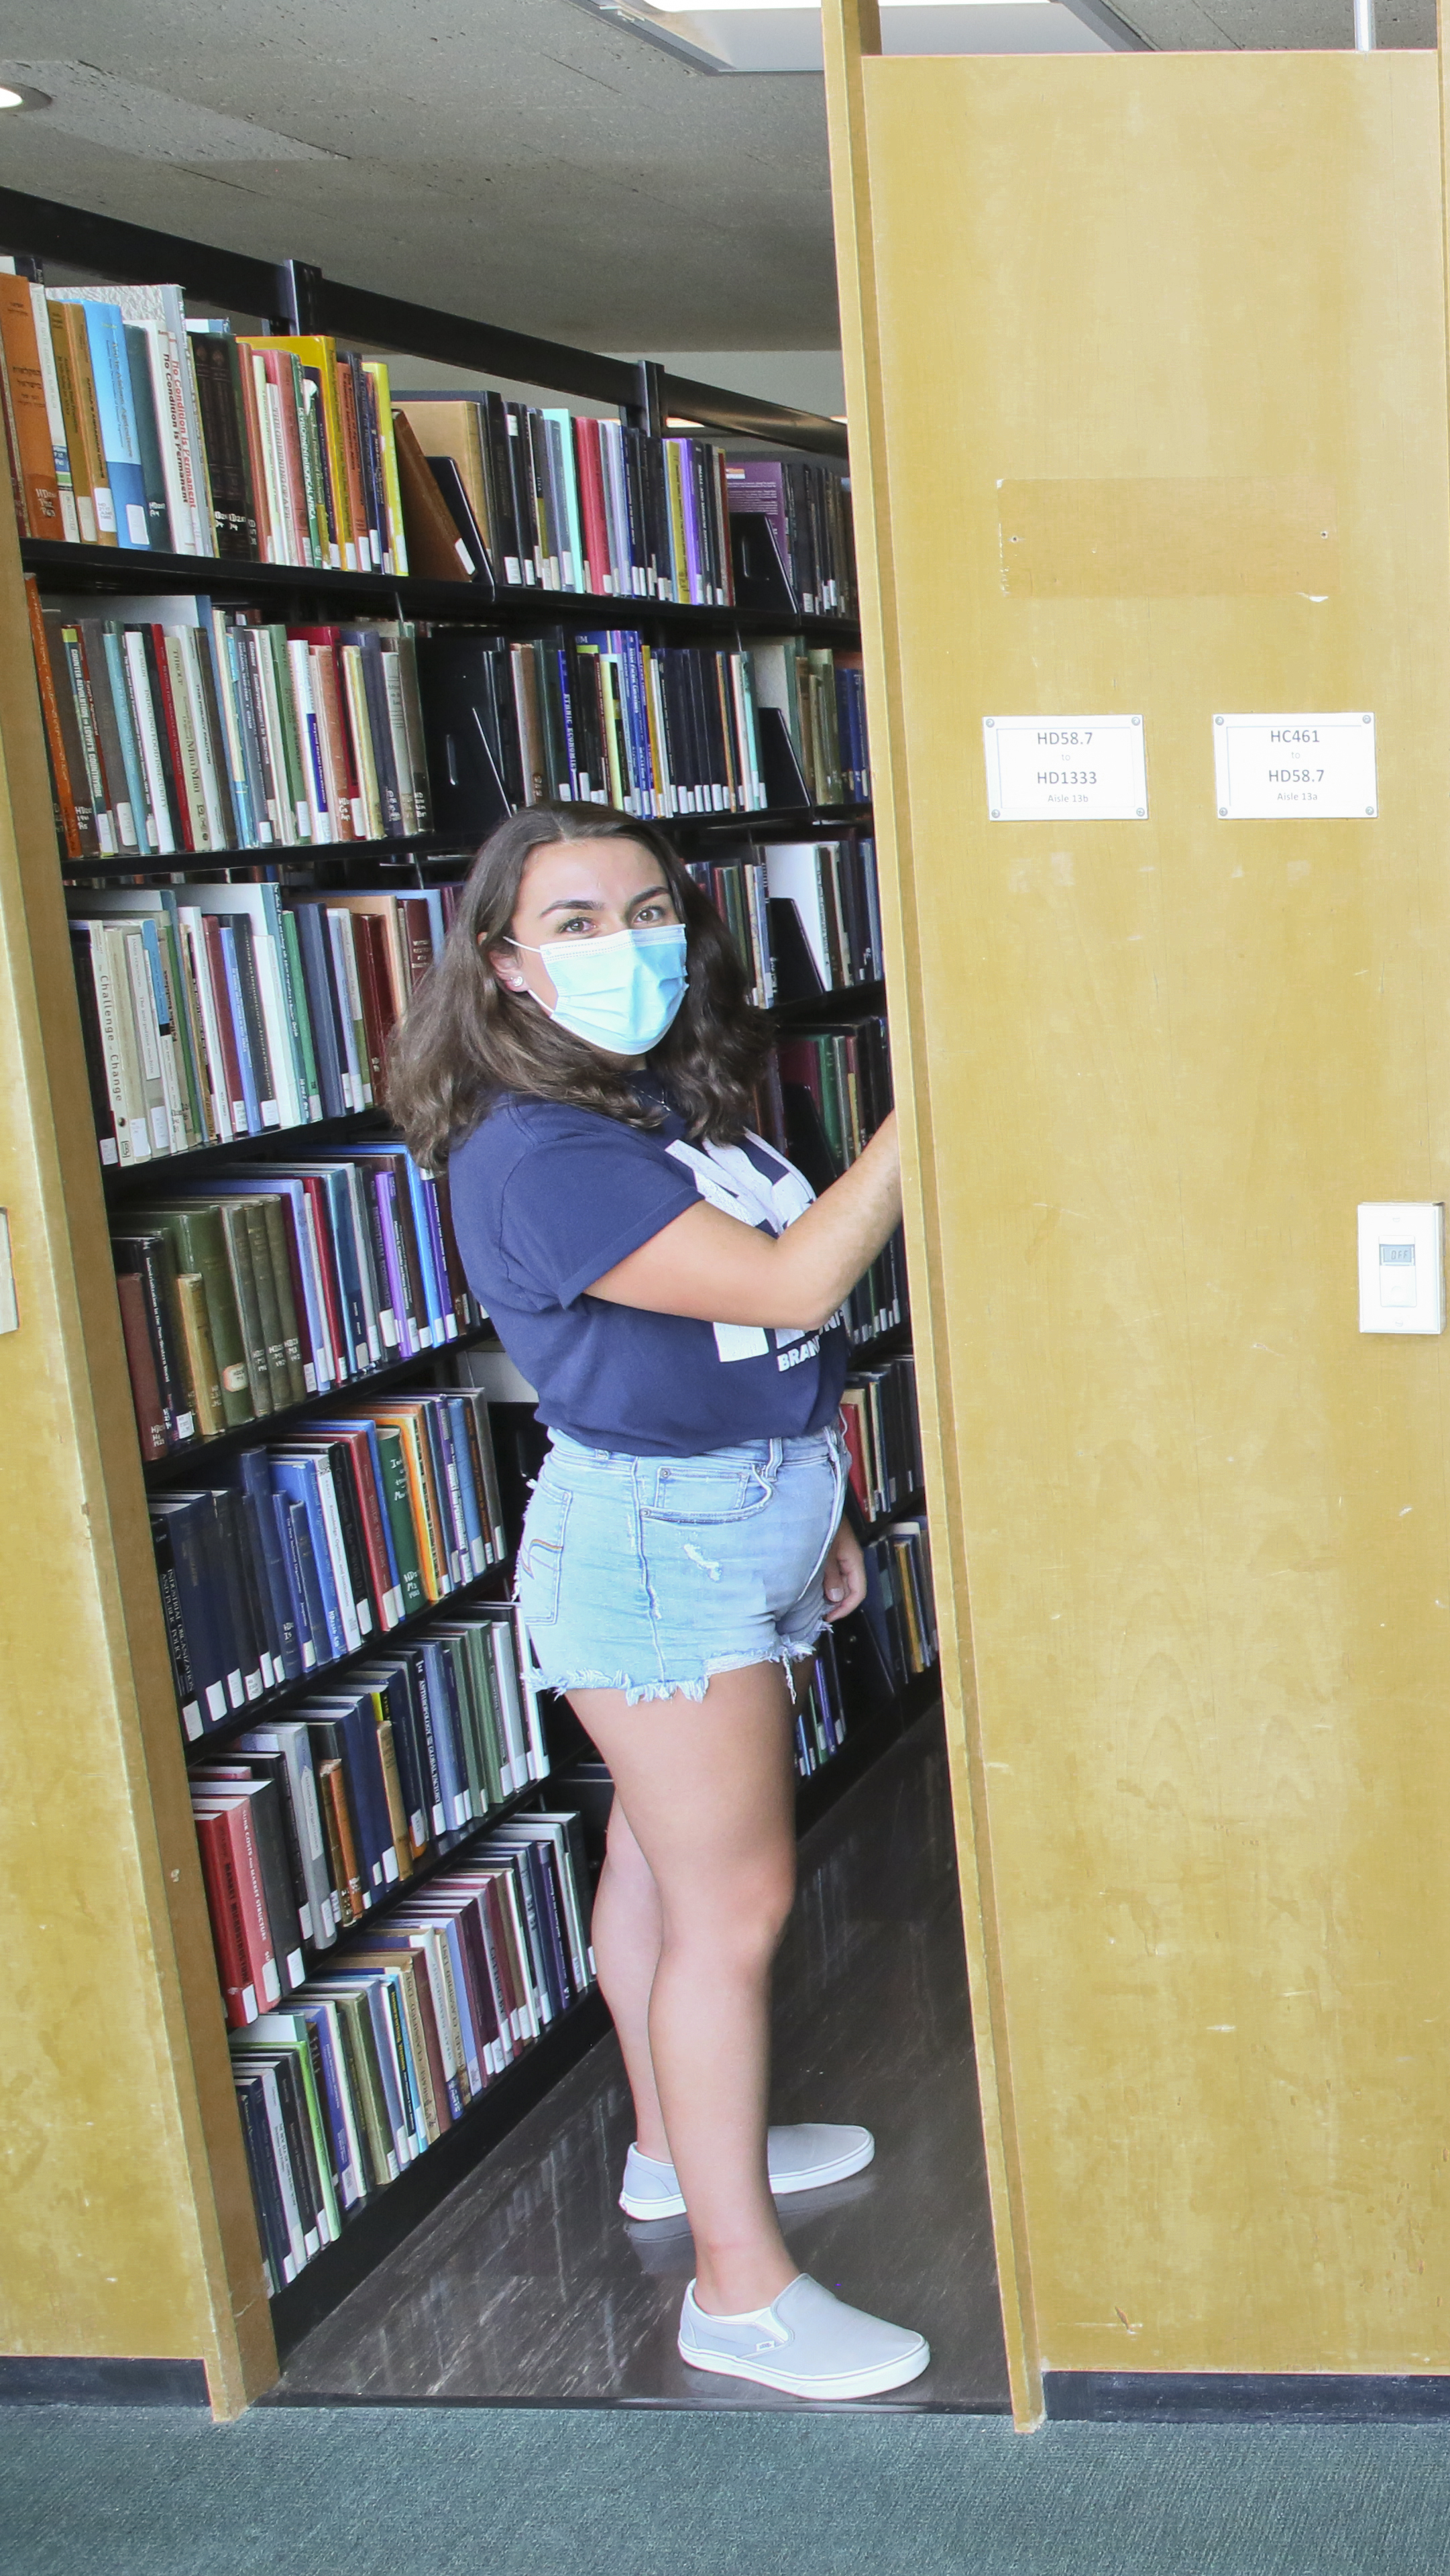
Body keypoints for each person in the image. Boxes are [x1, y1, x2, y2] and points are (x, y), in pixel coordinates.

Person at [389, 800, 930, 2400]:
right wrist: (936, 1100)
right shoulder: (539, 1148)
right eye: (574, 924)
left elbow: (746, 1340)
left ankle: (665, 2151)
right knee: (732, 1911)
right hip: (656, 1544)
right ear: (501, 964)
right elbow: (790, 1280)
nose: (625, 946)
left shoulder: (642, 1101)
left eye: (646, 912)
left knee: (654, 1853)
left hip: (735, 1515)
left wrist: (811, 1497)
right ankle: (738, 2288)